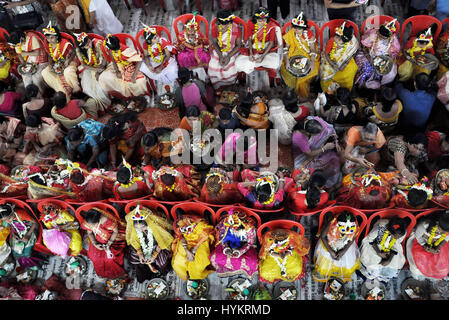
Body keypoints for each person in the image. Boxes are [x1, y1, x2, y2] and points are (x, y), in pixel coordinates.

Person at [125, 204, 173, 282]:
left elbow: (162, 242)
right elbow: (135, 241)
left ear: (147, 224)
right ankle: (146, 273)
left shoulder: (155, 226)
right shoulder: (135, 227)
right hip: (142, 245)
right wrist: (140, 254)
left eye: (142, 227)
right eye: (137, 228)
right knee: (134, 258)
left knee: (161, 262)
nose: (140, 230)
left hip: (157, 246)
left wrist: (154, 255)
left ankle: (159, 272)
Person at [292, 116, 341, 189]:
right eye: (317, 134)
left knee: (334, 160)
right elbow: (309, 154)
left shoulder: (315, 121)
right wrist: (324, 148)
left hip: (320, 147)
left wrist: (336, 141)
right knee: (314, 171)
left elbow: (329, 130)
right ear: (308, 133)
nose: (320, 134)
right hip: (306, 154)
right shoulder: (299, 137)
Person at [313, 210, 361, 282]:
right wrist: (331, 251)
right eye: (343, 230)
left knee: (348, 262)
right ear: (338, 225)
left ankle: (338, 272)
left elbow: (353, 237)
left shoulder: (354, 225)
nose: (345, 232)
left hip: (345, 244)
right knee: (325, 263)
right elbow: (323, 236)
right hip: (329, 244)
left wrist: (343, 251)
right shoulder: (332, 224)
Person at [281, 12, 320, 99]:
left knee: (304, 76)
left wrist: (312, 62)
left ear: (304, 28)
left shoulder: (309, 36)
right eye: (294, 28)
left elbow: (313, 50)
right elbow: (286, 48)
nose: (296, 30)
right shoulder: (291, 32)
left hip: (308, 56)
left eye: (298, 29)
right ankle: (293, 88)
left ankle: (302, 95)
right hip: (293, 54)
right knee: (286, 69)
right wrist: (287, 61)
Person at [210, 208, 258, 278]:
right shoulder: (225, 224)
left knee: (252, 262)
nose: (233, 229)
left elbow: (249, 243)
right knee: (215, 258)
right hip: (228, 244)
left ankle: (244, 272)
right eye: (231, 226)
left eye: (235, 227)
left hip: (244, 246)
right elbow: (222, 238)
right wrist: (226, 248)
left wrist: (239, 251)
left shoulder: (249, 228)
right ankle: (227, 272)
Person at [80, 207, 126, 279]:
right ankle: (103, 274)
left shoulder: (109, 222)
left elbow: (115, 232)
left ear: (99, 220)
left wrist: (109, 243)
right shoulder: (90, 220)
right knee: (93, 256)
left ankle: (114, 274)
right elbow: (90, 233)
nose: (91, 227)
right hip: (98, 239)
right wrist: (95, 243)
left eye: (93, 225)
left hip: (112, 240)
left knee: (109, 258)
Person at [234, 7, 281, 78]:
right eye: (259, 20)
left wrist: (262, 56)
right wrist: (251, 54)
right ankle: (257, 62)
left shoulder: (271, 25)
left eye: (264, 20)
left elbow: (271, 43)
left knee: (275, 62)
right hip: (253, 47)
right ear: (255, 19)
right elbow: (249, 39)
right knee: (238, 63)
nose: (262, 22)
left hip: (266, 49)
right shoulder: (250, 23)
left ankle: (255, 63)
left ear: (267, 19)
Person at [355, 19, 400, 90]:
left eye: (385, 37)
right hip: (369, 55)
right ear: (378, 32)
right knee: (366, 70)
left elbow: (394, 52)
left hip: (384, 58)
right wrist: (370, 59)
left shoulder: (392, 39)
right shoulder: (372, 35)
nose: (383, 38)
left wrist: (388, 59)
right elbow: (364, 47)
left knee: (391, 72)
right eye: (381, 35)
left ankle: (382, 86)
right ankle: (364, 88)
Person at [99, 34, 148, 98]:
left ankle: (139, 95)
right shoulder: (111, 50)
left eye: (117, 48)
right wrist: (117, 71)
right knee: (104, 78)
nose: (117, 49)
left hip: (130, 65)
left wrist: (134, 75)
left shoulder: (126, 51)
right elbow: (113, 59)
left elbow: (139, 60)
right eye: (114, 50)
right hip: (119, 65)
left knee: (139, 82)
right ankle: (120, 95)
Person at [360, 217, 407, 282]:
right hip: (374, 245)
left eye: (399, 237)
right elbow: (370, 239)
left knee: (395, 263)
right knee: (373, 262)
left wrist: (389, 259)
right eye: (396, 236)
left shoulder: (401, 231)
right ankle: (369, 275)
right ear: (391, 232)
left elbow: (396, 244)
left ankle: (381, 278)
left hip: (390, 247)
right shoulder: (380, 229)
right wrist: (378, 252)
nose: (397, 238)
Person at [41, 22, 81, 99]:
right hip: (57, 64)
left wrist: (68, 61)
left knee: (67, 71)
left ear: (57, 36)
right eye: (48, 38)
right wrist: (50, 64)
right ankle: (60, 89)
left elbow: (73, 52)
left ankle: (76, 88)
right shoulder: (47, 43)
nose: (50, 40)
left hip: (69, 61)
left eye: (52, 38)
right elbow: (49, 55)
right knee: (45, 72)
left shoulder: (64, 42)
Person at [74, 32, 110, 114]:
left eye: (89, 42)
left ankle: (108, 104)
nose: (89, 45)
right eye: (86, 45)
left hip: (103, 64)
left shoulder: (97, 43)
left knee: (100, 89)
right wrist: (95, 70)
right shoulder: (79, 50)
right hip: (90, 68)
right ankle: (101, 109)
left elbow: (104, 57)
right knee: (87, 88)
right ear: (82, 47)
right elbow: (84, 65)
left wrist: (100, 70)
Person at [171, 212, 215, 281]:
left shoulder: (200, 224)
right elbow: (180, 236)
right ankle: (187, 271)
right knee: (178, 262)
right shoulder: (178, 225)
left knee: (200, 264)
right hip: (187, 240)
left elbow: (206, 235)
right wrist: (186, 250)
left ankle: (195, 272)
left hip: (201, 240)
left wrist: (194, 250)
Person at [406, 212, 449, 280]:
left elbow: (446, 238)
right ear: (437, 224)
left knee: (442, 266)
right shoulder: (424, 226)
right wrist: (426, 247)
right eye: (442, 231)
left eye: (445, 232)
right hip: (421, 242)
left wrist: (438, 247)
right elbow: (419, 238)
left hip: (438, 243)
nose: (443, 233)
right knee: (417, 266)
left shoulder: (446, 230)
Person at [320, 21, 359, 93]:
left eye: (339, 39)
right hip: (330, 59)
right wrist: (332, 64)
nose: (336, 38)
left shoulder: (351, 43)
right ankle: (329, 92)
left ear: (345, 41)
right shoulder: (332, 40)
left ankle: (345, 93)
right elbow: (325, 53)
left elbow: (350, 55)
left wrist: (345, 64)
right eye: (336, 36)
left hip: (345, 59)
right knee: (325, 71)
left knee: (350, 71)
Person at [208, 10, 242, 90]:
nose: (226, 26)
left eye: (228, 24)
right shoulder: (215, 28)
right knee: (213, 68)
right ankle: (218, 87)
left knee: (230, 71)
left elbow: (238, 45)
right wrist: (220, 56)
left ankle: (230, 86)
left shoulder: (236, 28)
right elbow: (215, 43)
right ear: (219, 23)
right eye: (223, 24)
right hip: (219, 49)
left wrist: (228, 56)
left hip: (232, 50)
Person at [0, 203, 40, 270]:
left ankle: (33, 262)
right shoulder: (8, 220)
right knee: (16, 251)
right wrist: (14, 234)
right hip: (17, 232)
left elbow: (35, 223)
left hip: (29, 230)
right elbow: (12, 226)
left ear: (12, 212)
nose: (8, 221)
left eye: (9, 218)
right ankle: (26, 264)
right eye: (5, 220)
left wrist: (28, 235)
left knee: (27, 253)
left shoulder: (21, 214)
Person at [139, 23, 178, 92]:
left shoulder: (162, 41)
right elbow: (145, 56)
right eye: (155, 38)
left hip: (165, 59)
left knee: (172, 72)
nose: (158, 38)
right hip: (153, 59)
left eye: (157, 35)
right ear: (149, 41)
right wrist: (149, 65)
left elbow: (168, 55)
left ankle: (162, 74)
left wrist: (161, 67)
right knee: (144, 67)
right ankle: (160, 75)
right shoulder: (145, 44)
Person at [175, 13, 211, 80]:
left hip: (198, 50)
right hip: (187, 51)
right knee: (181, 57)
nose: (191, 31)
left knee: (204, 56)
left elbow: (206, 42)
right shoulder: (182, 35)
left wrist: (203, 45)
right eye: (188, 29)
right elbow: (179, 47)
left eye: (192, 29)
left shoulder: (199, 33)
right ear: (185, 28)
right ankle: (190, 73)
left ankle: (202, 73)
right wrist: (181, 47)